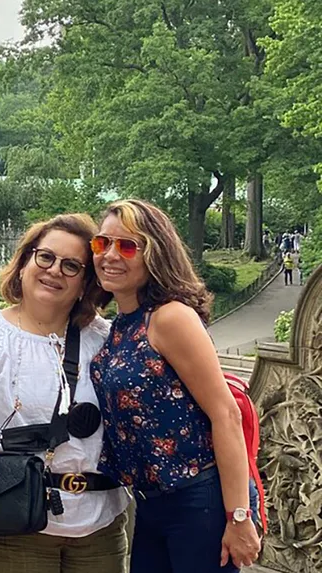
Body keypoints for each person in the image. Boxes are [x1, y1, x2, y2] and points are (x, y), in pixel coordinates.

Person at [0, 214, 130, 573]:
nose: (54, 270)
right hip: (12, 524)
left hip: (101, 526)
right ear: (24, 264)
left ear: (85, 282)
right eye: (45, 257)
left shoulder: (106, 339)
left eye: (71, 265)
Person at [90, 199, 260, 572]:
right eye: (102, 244)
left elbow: (225, 414)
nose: (111, 255)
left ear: (156, 255)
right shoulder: (122, 323)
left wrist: (239, 517)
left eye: (128, 246)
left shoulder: (170, 318)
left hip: (198, 500)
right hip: (151, 504)